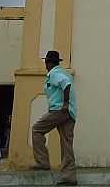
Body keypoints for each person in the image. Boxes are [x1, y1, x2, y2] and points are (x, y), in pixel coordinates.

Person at [31, 50, 77, 186]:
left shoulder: (55, 73)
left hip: (59, 110)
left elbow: (66, 84)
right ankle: (69, 177)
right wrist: (68, 105)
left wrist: (65, 103)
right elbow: (67, 82)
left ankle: (43, 162)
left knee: (36, 130)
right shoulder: (64, 72)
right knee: (66, 143)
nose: (45, 65)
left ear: (49, 63)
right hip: (70, 113)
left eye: (46, 62)